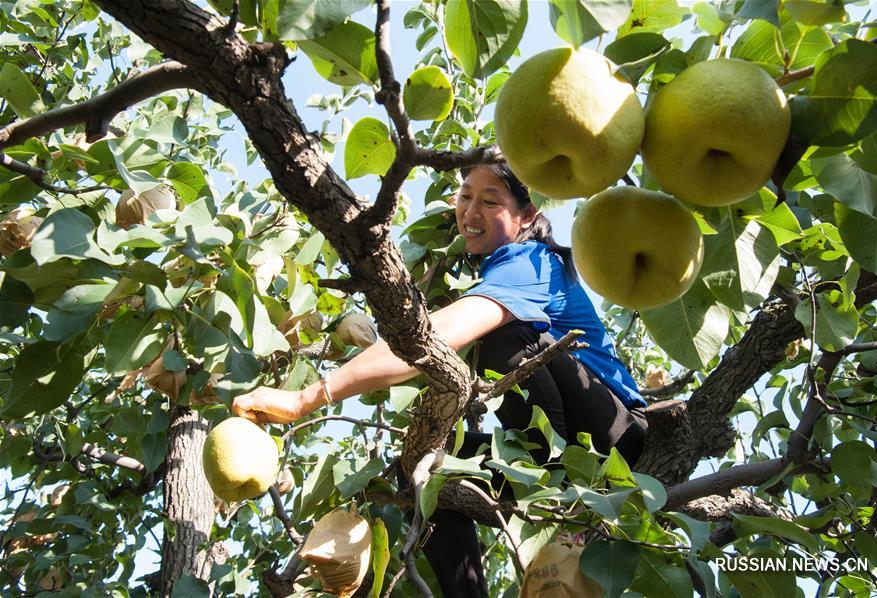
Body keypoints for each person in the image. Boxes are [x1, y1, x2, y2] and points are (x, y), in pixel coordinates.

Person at [232, 163, 648, 597]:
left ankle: (567, 487)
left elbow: (429, 340)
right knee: (422, 470)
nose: (471, 209)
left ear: (527, 215)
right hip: (561, 452)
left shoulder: (532, 261)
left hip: (616, 435)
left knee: (504, 336)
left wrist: (308, 398)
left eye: (490, 201)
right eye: (465, 195)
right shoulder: (499, 267)